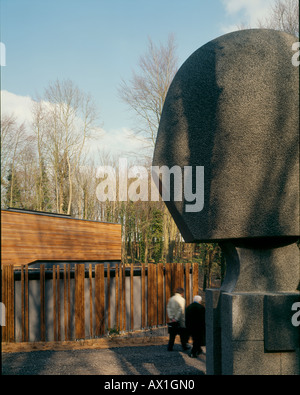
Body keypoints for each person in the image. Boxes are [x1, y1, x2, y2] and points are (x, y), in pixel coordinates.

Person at [166, 287, 189, 351]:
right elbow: (181, 309)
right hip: (180, 320)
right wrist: (176, 318)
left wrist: (171, 317)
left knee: (172, 335)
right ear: (182, 293)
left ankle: (170, 347)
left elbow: (168, 308)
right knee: (182, 335)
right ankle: (184, 346)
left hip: (172, 320)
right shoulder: (182, 300)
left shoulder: (171, 299)